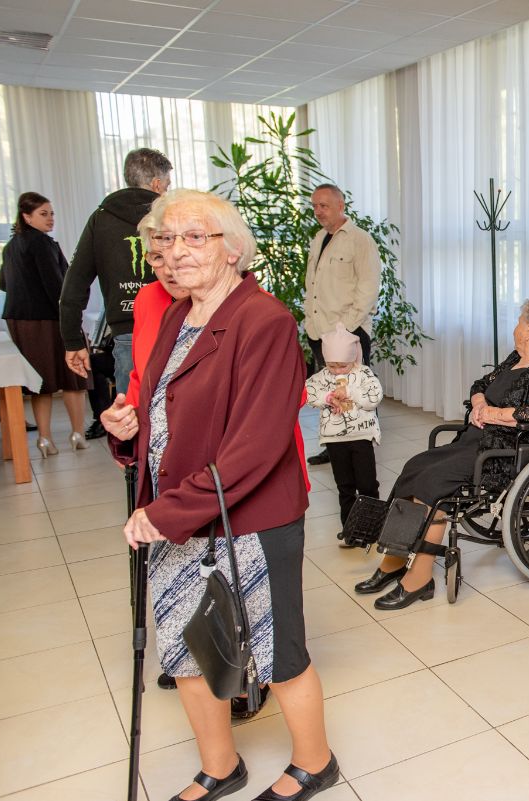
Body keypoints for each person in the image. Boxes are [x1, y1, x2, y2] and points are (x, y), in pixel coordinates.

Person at [101, 189, 338, 801]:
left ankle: (315, 762)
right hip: (178, 515)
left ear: (232, 249)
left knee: (276, 651)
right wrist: (130, 432)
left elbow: (254, 446)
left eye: (193, 237)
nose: (174, 252)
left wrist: (166, 512)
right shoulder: (179, 316)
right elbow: (170, 416)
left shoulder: (265, 321)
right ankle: (220, 766)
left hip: (249, 518)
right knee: (183, 646)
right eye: (165, 240)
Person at [354, 299, 529, 609]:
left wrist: (497, 414)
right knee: (414, 467)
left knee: (432, 484)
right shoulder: (516, 358)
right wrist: (480, 403)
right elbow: (480, 384)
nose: (515, 327)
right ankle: (394, 561)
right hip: (474, 441)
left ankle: (419, 579)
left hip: (504, 451)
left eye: (518, 321)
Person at [61, 147, 172, 396]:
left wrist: (73, 341)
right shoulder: (171, 217)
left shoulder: (101, 219)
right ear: (156, 184)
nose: (166, 192)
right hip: (175, 324)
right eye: (167, 186)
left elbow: (75, 282)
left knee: (131, 409)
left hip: (126, 331)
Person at [0, 192, 90, 456]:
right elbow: (56, 286)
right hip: (48, 319)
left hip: (20, 321)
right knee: (74, 374)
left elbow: (2, 284)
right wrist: (72, 319)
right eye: (43, 214)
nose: (50, 219)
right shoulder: (42, 243)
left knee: (40, 380)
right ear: (26, 217)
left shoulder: (11, 246)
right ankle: (78, 434)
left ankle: (44, 439)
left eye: (52, 213)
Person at [302, 183, 381, 467]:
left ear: (340, 206)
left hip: (348, 332)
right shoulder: (319, 238)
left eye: (323, 205)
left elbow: (369, 288)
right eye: (314, 206)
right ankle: (334, 445)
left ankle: (362, 445)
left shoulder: (360, 239)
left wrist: (346, 328)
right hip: (319, 329)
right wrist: (309, 319)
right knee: (330, 390)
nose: (318, 211)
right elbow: (312, 283)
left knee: (357, 389)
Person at [304, 324, 382, 532]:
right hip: (335, 440)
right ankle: (349, 529)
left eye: (342, 366)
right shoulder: (322, 377)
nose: (337, 371)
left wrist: (351, 392)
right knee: (345, 486)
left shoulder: (364, 374)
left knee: (367, 485)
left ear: (353, 359)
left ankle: (372, 526)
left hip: (361, 437)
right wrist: (327, 397)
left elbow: (374, 398)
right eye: (332, 366)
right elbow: (308, 393)